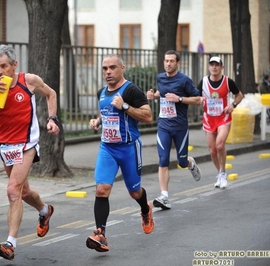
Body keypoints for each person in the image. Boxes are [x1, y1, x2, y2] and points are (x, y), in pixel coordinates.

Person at [0, 45, 60, 261]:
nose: (0, 71)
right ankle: (44, 211)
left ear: (14, 65)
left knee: (13, 190)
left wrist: (52, 119)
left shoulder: (28, 80)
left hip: (26, 143)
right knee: (23, 192)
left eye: (4, 66)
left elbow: (51, 94)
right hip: (5, 144)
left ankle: (10, 244)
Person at [86, 54, 154, 253]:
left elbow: (148, 116)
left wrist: (124, 106)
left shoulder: (131, 90)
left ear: (122, 68)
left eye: (112, 67)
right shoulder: (101, 92)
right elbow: (105, 110)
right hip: (107, 148)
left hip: (129, 148)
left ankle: (145, 209)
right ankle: (100, 234)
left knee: (135, 192)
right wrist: (97, 121)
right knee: (101, 189)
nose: (108, 72)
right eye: (105, 68)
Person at [146, 50, 202, 210]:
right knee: (163, 160)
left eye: (171, 61)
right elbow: (161, 93)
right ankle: (164, 196)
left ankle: (191, 164)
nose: (168, 63)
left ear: (178, 63)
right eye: (166, 61)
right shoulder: (160, 77)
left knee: (181, 162)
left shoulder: (184, 80)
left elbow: (198, 100)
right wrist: (154, 96)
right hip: (163, 125)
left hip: (180, 127)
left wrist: (179, 99)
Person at [197, 56, 243, 188]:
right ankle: (220, 173)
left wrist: (232, 105)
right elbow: (195, 96)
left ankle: (222, 173)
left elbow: (239, 95)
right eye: (212, 64)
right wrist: (199, 100)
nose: (214, 67)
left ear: (222, 67)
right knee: (212, 151)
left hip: (223, 117)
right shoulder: (204, 82)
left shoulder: (228, 81)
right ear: (208, 67)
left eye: (217, 65)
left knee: (220, 145)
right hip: (208, 118)